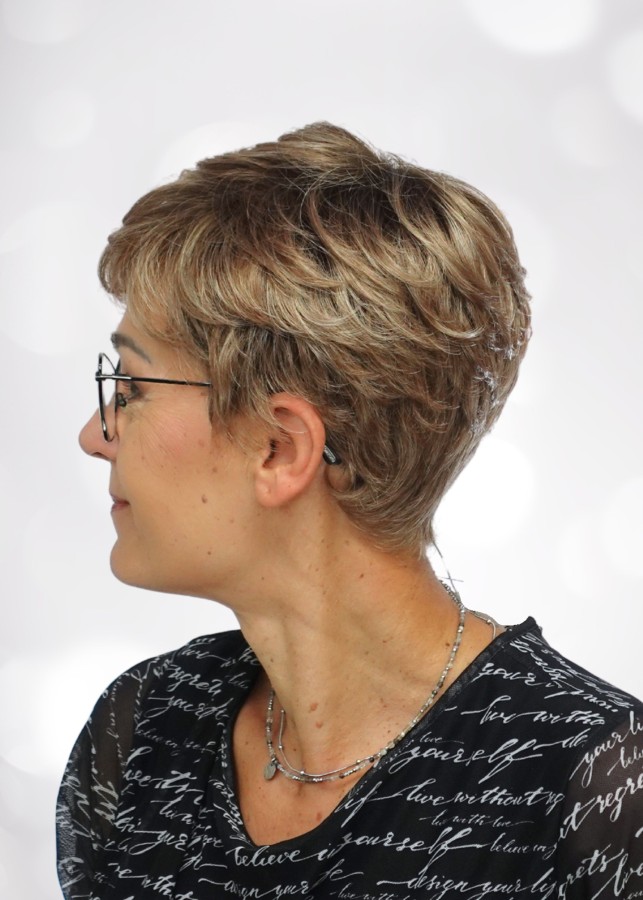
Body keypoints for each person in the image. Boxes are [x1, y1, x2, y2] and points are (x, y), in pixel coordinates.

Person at [57, 123, 642, 900]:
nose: (95, 434)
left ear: (280, 448)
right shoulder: (141, 735)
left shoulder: (592, 788)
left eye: (130, 387)